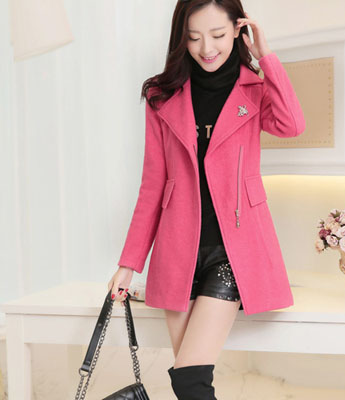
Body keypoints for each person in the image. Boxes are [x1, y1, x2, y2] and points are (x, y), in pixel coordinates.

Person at [108, 0, 306, 398]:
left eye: (217, 35)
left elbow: (292, 125)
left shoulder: (255, 88)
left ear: (238, 31)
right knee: (190, 381)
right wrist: (129, 264)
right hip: (177, 250)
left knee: (190, 378)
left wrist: (266, 56)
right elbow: (153, 183)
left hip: (233, 250)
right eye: (194, 37)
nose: (206, 48)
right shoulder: (162, 94)